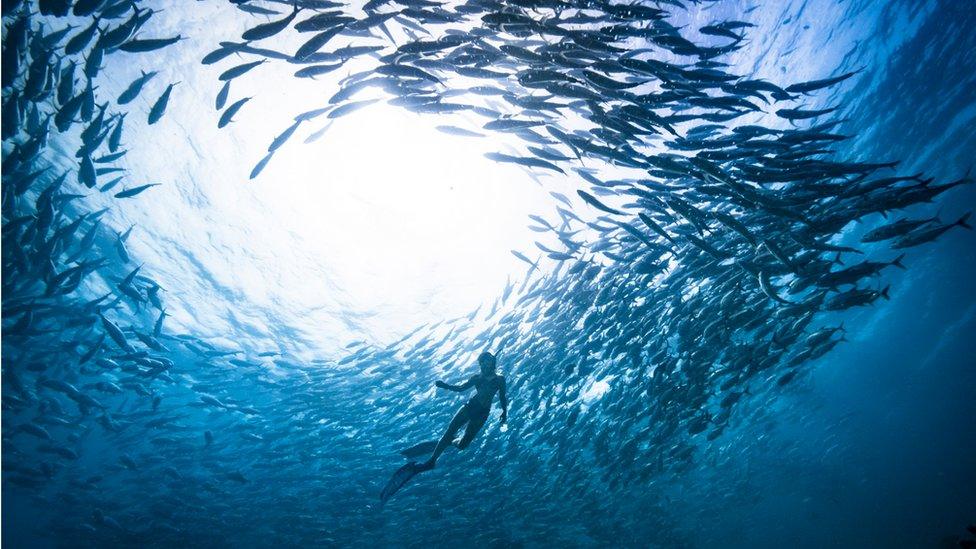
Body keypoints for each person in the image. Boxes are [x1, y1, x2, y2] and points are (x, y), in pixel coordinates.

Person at [380, 351, 508, 503]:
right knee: (449, 432)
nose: (484, 365)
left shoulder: (500, 379)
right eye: (482, 362)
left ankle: (450, 441)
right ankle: (432, 460)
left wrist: (504, 412)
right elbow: (461, 388)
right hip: (470, 407)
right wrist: (445, 386)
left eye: (487, 361)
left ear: (492, 362)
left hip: (482, 414)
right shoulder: (477, 378)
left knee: (462, 446)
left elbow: (502, 396)